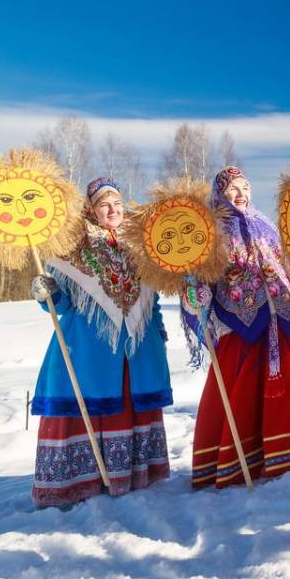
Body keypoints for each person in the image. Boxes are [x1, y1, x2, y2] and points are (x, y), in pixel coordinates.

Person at [30, 177, 172, 507]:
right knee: (90, 402)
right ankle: (84, 479)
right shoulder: (74, 248)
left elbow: (151, 300)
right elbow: (62, 303)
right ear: (91, 210)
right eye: (105, 204)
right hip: (91, 348)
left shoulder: (139, 246)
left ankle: (132, 472)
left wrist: (159, 333)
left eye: (118, 204)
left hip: (136, 349)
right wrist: (46, 294)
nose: (113, 210)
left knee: (131, 401)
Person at [182, 167, 290, 489]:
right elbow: (197, 283)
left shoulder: (267, 226)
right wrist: (196, 293)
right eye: (232, 188)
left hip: (281, 321)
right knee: (241, 392)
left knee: (289, 388)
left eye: (245, 186)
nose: (240, 193)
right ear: (219, 195)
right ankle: (239, 460)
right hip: (240, 325)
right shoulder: (211, 232)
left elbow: (285, 268)